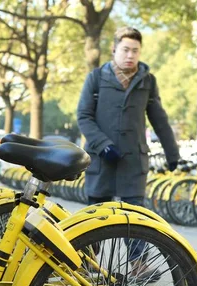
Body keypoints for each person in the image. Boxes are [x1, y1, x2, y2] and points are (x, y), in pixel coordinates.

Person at [77, 26, 180, 207]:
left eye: (135, 51)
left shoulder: (148, 81)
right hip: (101, 162)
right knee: (95, 224)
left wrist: (172, 154)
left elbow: (159, 120)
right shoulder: (96, 77)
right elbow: (84, 116)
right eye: (126, 50)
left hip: (133, 164)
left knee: (134, 223)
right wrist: (104, 146)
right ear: (114, 49)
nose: (130, 55)